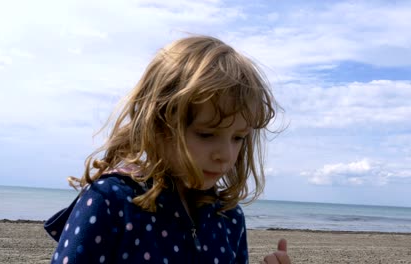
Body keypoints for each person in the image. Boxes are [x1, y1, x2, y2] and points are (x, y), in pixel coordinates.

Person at [44, 35, 291, 264]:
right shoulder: (112, 201)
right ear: (158, 122)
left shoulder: (228, 218)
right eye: (206, 134)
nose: (225, 155)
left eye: (239, 137)